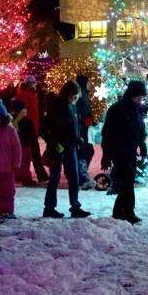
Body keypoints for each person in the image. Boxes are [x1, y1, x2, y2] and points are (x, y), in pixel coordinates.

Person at [41, 80, 90, 219]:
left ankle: (75, 206)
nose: (74, 99)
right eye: (73, 96)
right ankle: (49, 208)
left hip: (70, 147)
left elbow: (73, 126)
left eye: (76, 96)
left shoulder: (71, 107)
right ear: (67, 95)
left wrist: (78, 137)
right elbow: (44, 129)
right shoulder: (56, 108)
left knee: (74, 177)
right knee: (54, 178)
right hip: (58, 149)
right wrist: (54, 142)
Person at [102, 79, 148, 224]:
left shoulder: (137, 110)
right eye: (139, 97)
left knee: (126, 182)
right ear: (132, 94)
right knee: (127, 182)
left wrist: (142, 146)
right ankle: (128, 212)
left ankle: (118, 212)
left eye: (142, 97)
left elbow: (140, 130)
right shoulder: (116, 110)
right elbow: (108, 133)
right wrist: (107, 155)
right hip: (119, 151)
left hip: (131, 151)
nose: (141, 100)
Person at [15, 77, 48, 183]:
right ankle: (39, 175)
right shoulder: (25, 94)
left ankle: (29, 175)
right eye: (33, 83)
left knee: (32, 152)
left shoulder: (32, 93)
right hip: (28, 127)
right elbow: (23, 111)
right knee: (33, 152)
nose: (35, 84)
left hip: (33, 126)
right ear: (29, 84)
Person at [75, 74, 96, 188]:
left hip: (83, 129)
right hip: (81, 130)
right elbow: (83, 112)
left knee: (86, 151)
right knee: (85, 151)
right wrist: (88, 120)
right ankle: (81, 176)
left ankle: (82, 174)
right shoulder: (81, 95)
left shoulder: (83, 94)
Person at [11, 99, 38, 186]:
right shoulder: (27, 121)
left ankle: (17, 176)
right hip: (25, 144)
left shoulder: (10, 120)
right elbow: (31, 134)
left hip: (14, 146)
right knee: (25, 163)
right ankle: (26, 179)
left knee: (17, 162)